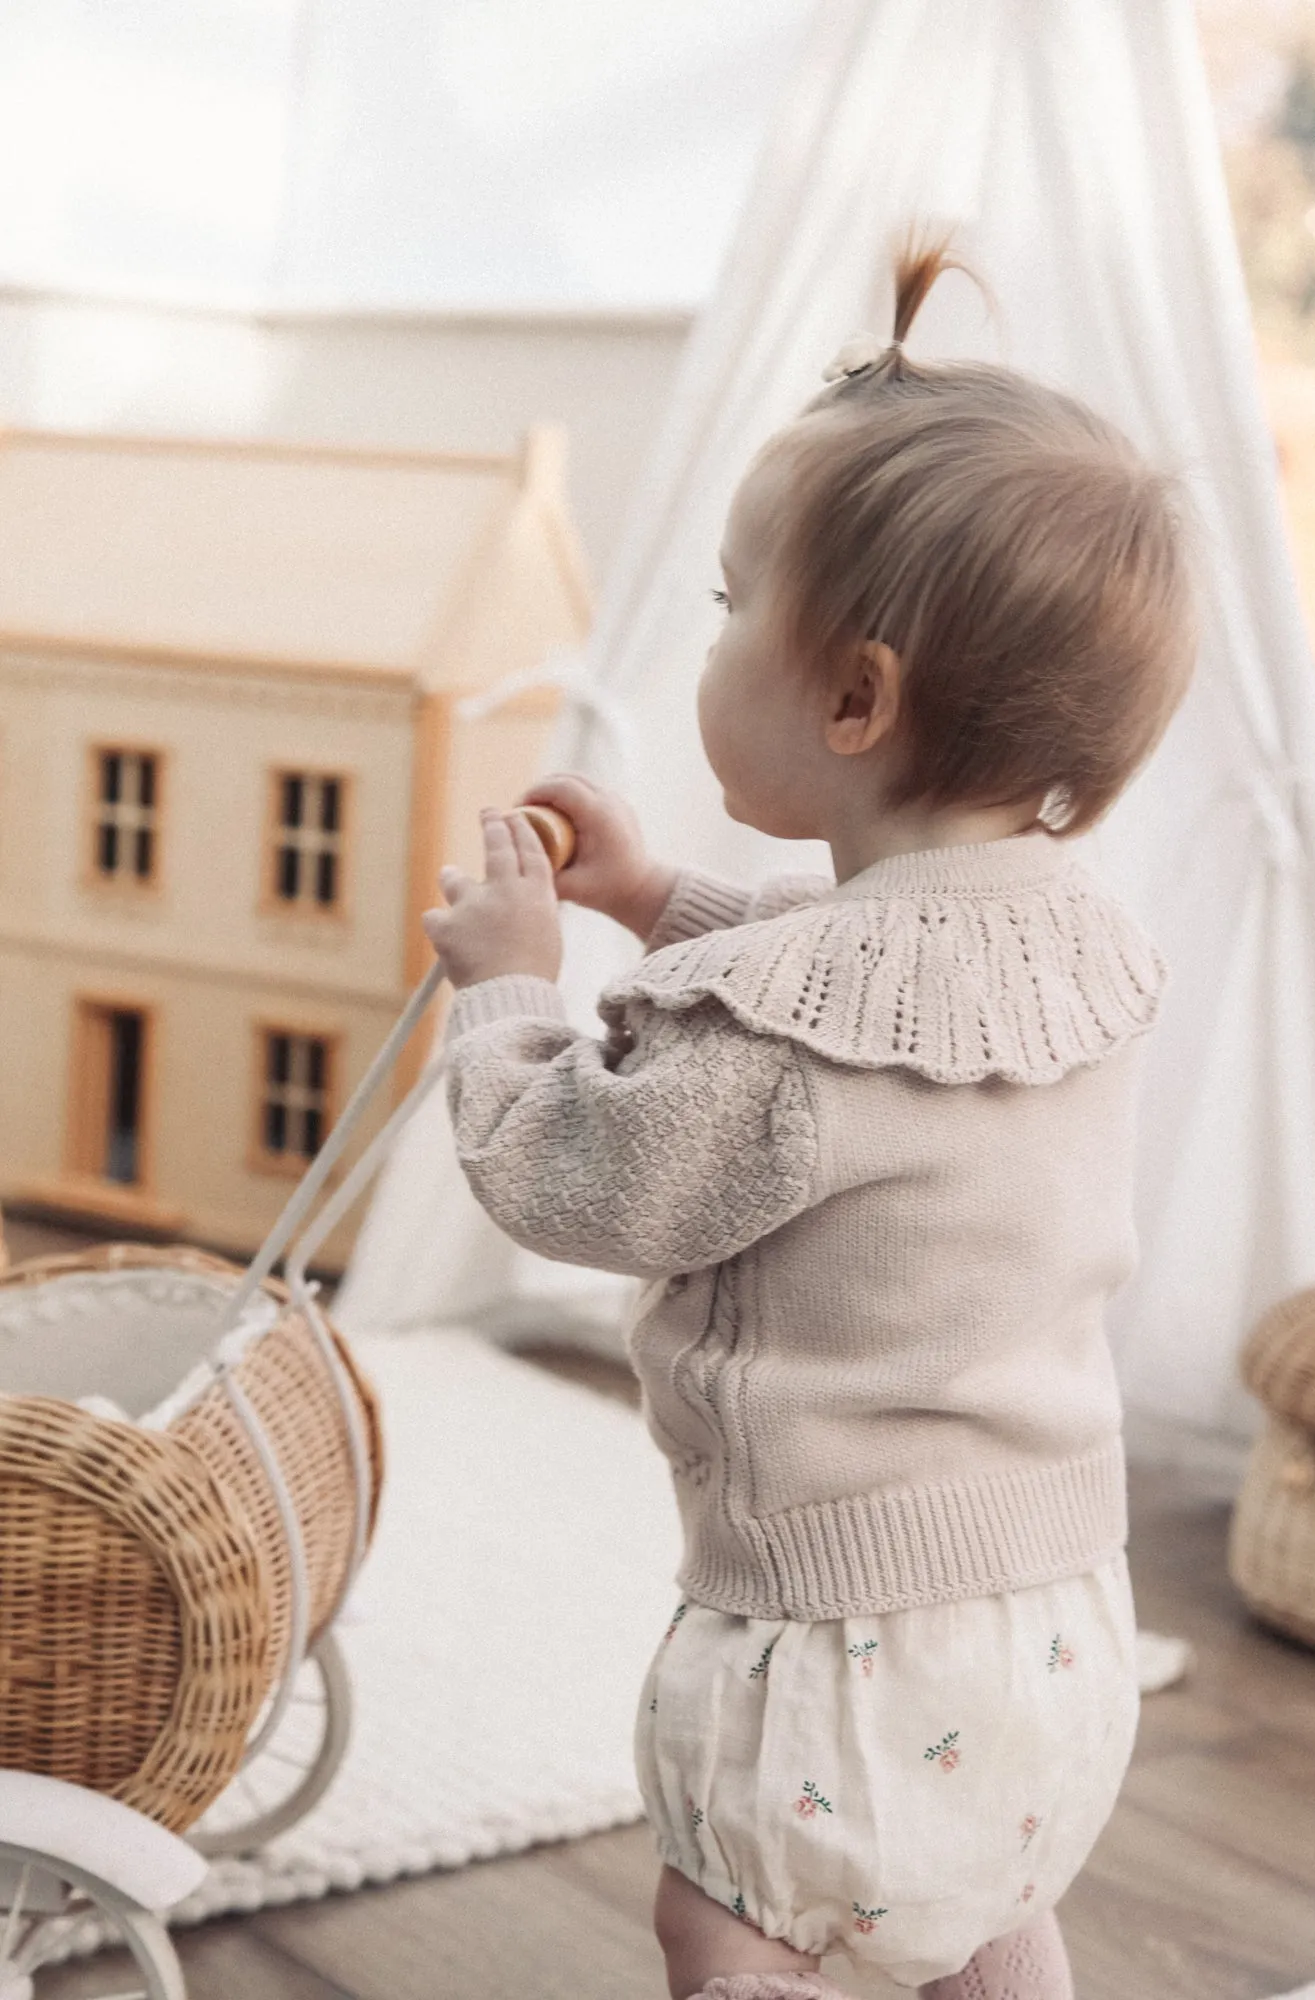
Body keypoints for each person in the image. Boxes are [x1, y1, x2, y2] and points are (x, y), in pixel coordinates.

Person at [422, 232, 1197, 2000]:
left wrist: (513, 987)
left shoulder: (786, 1044)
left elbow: (571, 1170)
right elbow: (865, 982)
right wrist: (656, 897)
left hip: (841, 1659)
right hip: (1063, 1628)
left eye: (721, 606)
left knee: (733, 1928)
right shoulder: (1081, 945)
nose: (703, 642)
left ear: (852, 697)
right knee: (987, 1913)